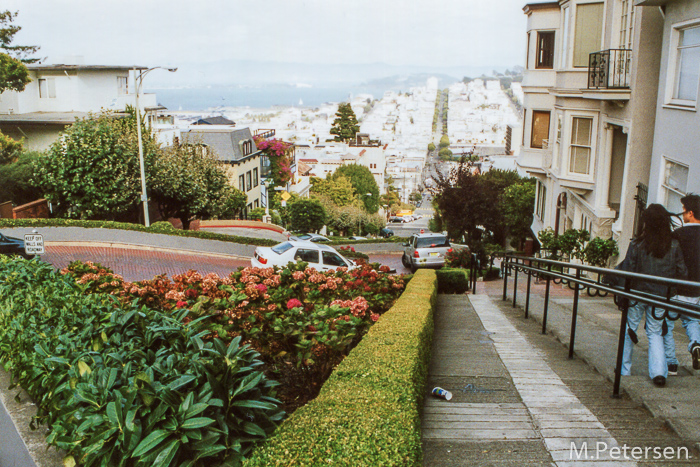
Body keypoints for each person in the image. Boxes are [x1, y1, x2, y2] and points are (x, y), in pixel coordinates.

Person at [618, 204, 687, 387]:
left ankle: (624, 370)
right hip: (661, 295)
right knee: (655, 332)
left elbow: (629, 270)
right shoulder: (673, 245)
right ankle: (658, 372)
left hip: (637, 294)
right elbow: (682, 272)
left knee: (629, 329)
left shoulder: (637, 243)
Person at [664, 194, 700, 372]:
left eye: (684, 211)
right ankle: (695, 344)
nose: (683, 214)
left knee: (667, 324)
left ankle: (671, 363)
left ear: (691, 213)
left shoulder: (677, 235)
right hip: (696, 290)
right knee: (692, 320)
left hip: (676, 288)